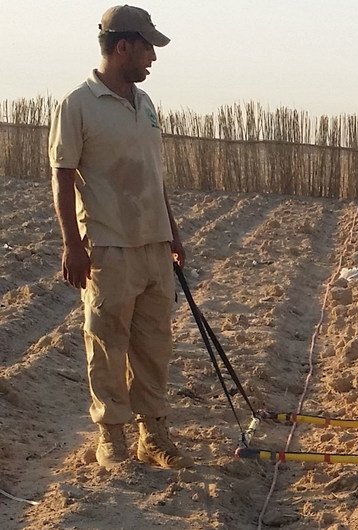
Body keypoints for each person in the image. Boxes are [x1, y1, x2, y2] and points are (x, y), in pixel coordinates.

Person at [49, 5, 192, 470]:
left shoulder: (146, 104)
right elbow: (62, 175)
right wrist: (72, 243)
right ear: (123, 46)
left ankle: (154, 432)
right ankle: (111, 435)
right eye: (148, 47)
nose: (153, 58)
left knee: (154, 344)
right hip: (107, 247)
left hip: (153, 244)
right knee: (107, 342)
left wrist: (172, 231)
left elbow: (155, 175)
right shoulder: (78, 104)